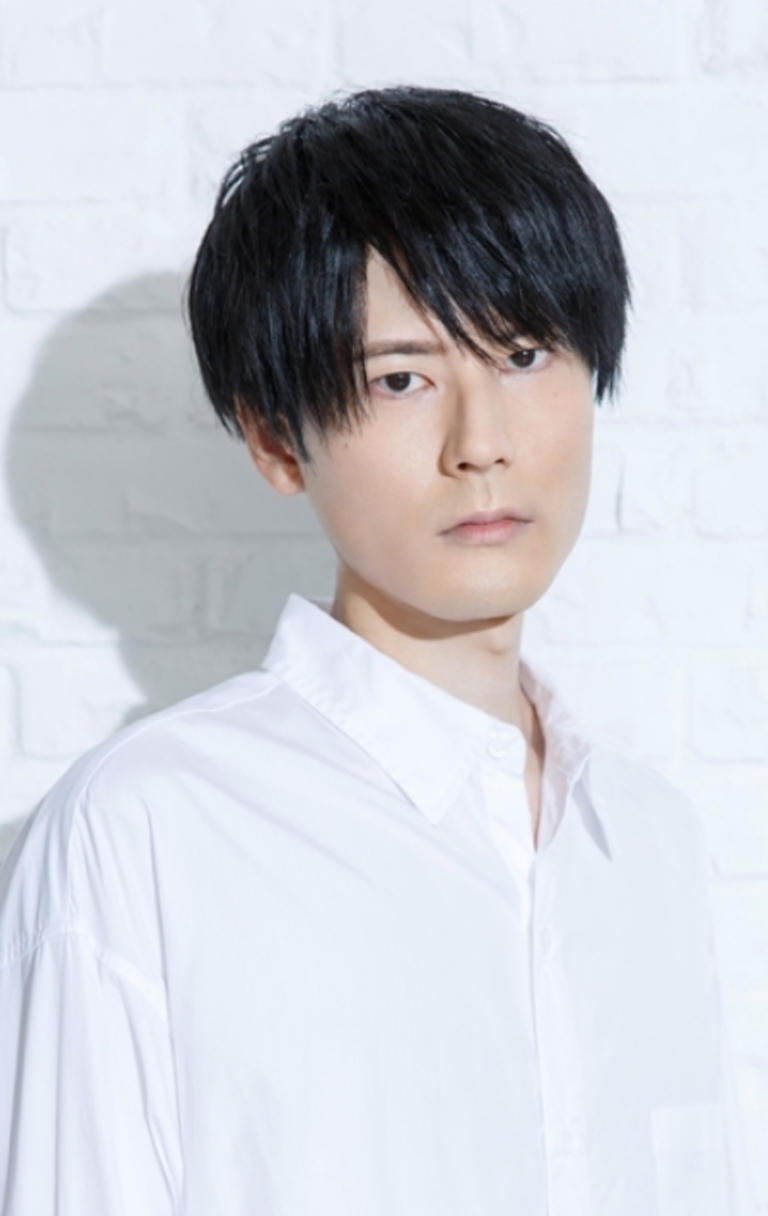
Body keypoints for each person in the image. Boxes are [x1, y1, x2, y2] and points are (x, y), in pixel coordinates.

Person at [0, 86, 756, 1216]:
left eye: (524, 352)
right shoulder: (146, 833)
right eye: (401, 377)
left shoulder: (647, 838)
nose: (482, 444)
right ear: (275, 438)